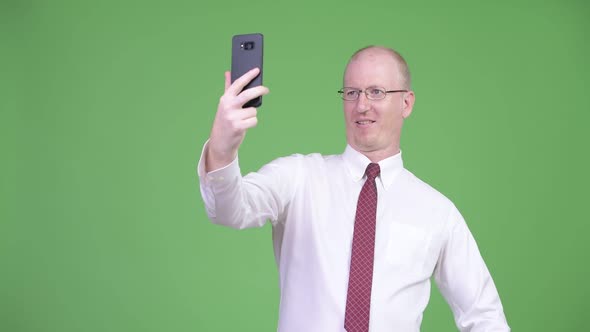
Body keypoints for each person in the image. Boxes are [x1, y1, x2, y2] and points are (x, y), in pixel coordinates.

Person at [197, 46, 510, 332]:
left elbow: (485, 316)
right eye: (352, 92)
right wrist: (222, 151)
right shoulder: (298, 177)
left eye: (376, 92)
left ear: (406, 103)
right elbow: (229, 210)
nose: (362, 105)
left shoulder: (438, 212)